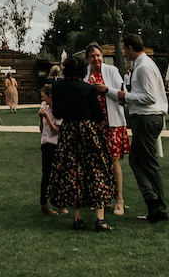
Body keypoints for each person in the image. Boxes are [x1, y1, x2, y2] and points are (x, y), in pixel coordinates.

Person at [47, 56, 113, 232]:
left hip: (69, 131)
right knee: (97, 169)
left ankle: (78, 218)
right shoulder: (89, 89)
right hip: (88, 131)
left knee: (72, 171)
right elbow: (99, 116)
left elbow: (58, 113)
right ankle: (100, 218)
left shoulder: (58, 87)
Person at [117, 35, 169, 223]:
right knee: (137, 161)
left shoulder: (144, 66)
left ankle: (157, 203)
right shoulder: (143, 64)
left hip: (147, 117)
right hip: (146, 117)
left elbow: (149, 96)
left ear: (129, 47)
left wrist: (126, 96)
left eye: (124, 49)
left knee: (147, 163)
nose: (124, 53)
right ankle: (153, 203)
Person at [88, 44, 130, 217]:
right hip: (94, 123)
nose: (96, 59)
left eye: (98, 55)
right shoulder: (86, 75)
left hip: (112, 121)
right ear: (88, 58)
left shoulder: (112, 71)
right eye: (92, 56)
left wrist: (106, 90)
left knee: (113, 160)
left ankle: (119, 199)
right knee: (97, 162)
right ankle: (100, 198)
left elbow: (123, 93)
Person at [38, 85, 65, 216]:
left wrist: (47, 118)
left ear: (50, 96)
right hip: (46, 145)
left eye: (43, 96)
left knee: (59, 175)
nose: (42, 99)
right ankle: (44, 204)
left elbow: (57, 131)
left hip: (56, 145)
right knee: (46, 175)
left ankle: (60, 203)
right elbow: (42, 129)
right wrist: (41, 118)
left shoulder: (58, 111)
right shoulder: (45, 109)